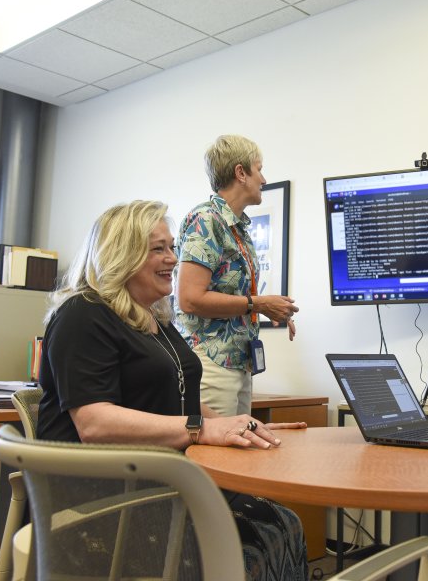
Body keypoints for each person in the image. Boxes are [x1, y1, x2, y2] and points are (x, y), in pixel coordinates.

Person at [36, 200, 308, 581]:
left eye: (172, 247)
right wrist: (200, 429)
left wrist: (237, 424)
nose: (173, 259)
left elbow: (182, 396)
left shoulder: (154, 319)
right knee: (265, 532)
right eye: (158, 248)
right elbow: (94, 423)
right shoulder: (83, 314)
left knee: (282, 521)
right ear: (122, 255)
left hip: (158, 484)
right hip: (104, 500)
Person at [175, 135, 298, 417]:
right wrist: (258, 304)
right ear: (241, 173)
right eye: (259, 169)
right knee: (214, 453)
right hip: (210, 361)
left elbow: (235, 296)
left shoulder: (238, 227)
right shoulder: (205, 220)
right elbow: (190, 299)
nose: (264, 179)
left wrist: (269, 307)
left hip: (239, 361)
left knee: (240, 451)